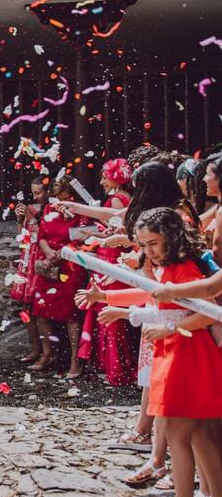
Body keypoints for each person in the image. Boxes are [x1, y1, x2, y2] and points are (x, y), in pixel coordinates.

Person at [81, 207, 222, 497]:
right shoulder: (168, 269)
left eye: (153, 244)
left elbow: (207, 310)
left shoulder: (183, 269)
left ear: (171, 238)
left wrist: (172, 327)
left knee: (180, 435)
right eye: (143, 246)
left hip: (187, 355)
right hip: (174, 351)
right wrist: (105, 298)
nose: (149, 252)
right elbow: (150, 295)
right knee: (196, 435)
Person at [77, 158, 137, 386]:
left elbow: (114, 236)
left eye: (104, 176)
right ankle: (119, 367)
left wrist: (87, 234)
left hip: (110, 261)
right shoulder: (127, 199)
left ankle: (117, 370)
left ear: (115, 178)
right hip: (114, 259)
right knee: (115, 315)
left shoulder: (115, 201)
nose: (101, 181)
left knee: (110, 317)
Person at [29, 175, 89, 378]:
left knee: (71, 313)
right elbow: (42, 235)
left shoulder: (81, 212)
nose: (60, 202)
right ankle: (48, 353)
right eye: (57, 198)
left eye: (65, 198)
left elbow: (83, 238)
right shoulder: (49, 208)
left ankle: (75, 360)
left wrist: (63, 253)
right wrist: (47, 253)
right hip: (48, 262)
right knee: (39, 308)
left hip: (70, 265)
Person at [13, 176, 49, 363]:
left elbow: (43, 235)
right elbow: (23, 238)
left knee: (40, 309)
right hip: (27, 258)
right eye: (33, 192)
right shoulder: (31, 209)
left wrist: (31, 217)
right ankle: (35, 348)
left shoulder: (51, 209)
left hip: (40, 258)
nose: (35, 196)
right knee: (26, 308)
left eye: (39, 192)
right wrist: (20, 220)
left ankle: (47, 352)